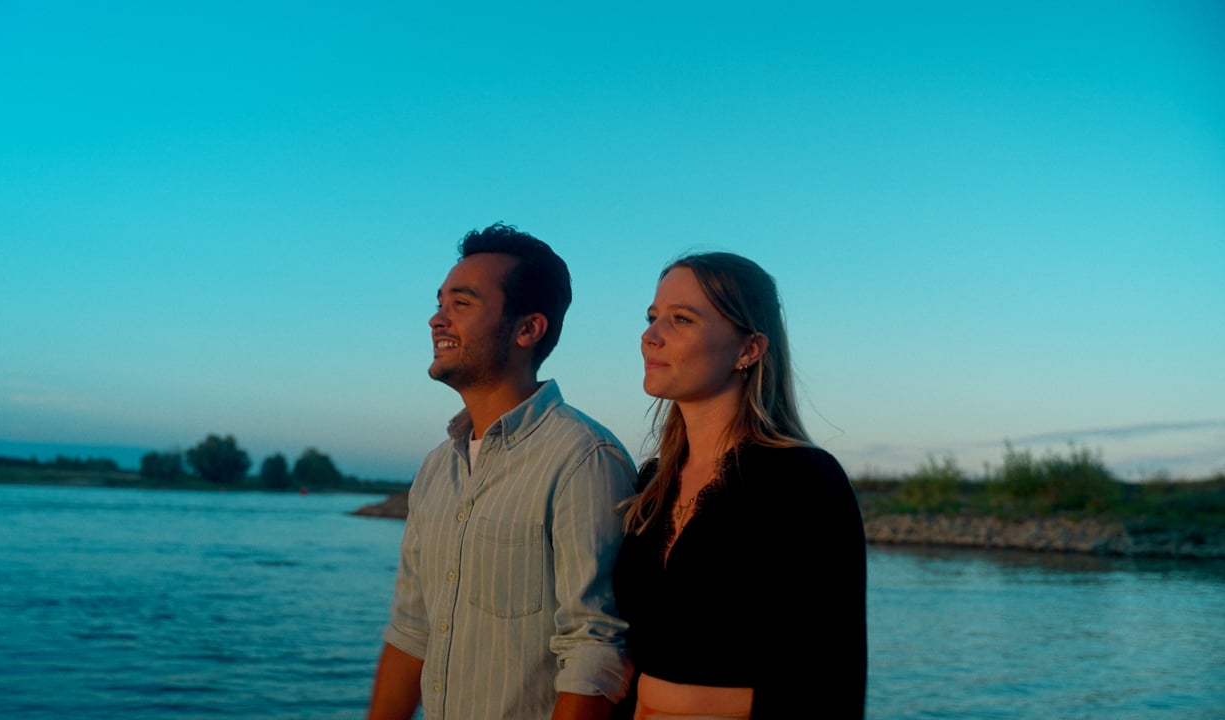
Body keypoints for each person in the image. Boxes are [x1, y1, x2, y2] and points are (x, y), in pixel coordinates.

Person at [367, 223, 638, 720]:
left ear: (527, 329)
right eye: (440, 302)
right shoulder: (437, 469)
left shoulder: (583, 459)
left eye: (461, 304)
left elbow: (594, 651)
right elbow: (411, 632)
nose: (436, 319)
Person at [612, 252, 867, 719]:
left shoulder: (805, 481)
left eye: (681, 319)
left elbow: (834, 679)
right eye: (652, 318)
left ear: (749, 349)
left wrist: (691, 699)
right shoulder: (651, 484)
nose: (651, 336)